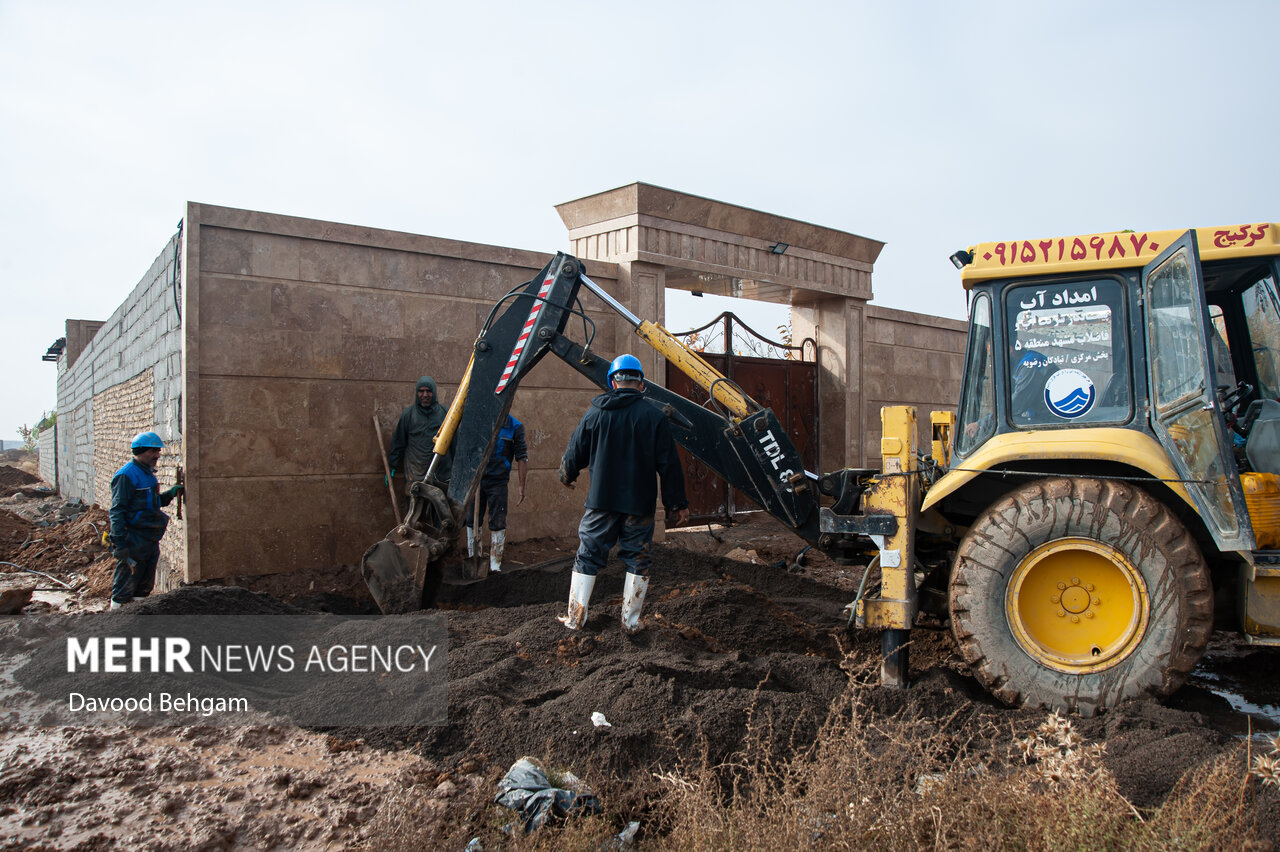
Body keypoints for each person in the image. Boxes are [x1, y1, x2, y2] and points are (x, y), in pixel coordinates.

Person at [556, 354, 690, 633]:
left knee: (587, 555)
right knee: (637, 558)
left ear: (612, 382)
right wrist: (677, 504)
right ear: (641, 384)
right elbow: (669, 466)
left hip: (600, 503)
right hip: (638, 506)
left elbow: (574, 452)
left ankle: (575, 619)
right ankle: (631, 622)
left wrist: (567, 474)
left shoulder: (595, 413)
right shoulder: (654, 417)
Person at [108, 431, 183, 610]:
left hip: (148, 538)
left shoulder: (148, 475)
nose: (157, 455)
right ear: (140, 451)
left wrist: (169, 494)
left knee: (144, 586)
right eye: (153, 451)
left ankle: (139, 621)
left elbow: (150, 504)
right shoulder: (126, 475)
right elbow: (117, 511)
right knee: (125, 585)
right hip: (132, 538)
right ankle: (115, 620)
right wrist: (120, 543)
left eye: (158, 451)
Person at [465, 412, 528, 572]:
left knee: (498, 520)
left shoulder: (515, 426)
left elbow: (522, 457)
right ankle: (474, 557)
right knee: (472, 520)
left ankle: (495, 564)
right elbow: (466, 450)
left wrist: (522, 485)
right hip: (476, 480)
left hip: (498, 481)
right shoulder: (479, 422)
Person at [387, 376, 453, 493]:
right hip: (416, 476)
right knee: (416, 509)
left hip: (441, 477)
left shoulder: (446, 414)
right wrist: (392, 466)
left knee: (439, 509)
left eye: (428, 391)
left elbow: (455, 444)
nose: (425, 395)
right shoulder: (408, 415)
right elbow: (398, 443)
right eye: (421, 391)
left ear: (434, 393)